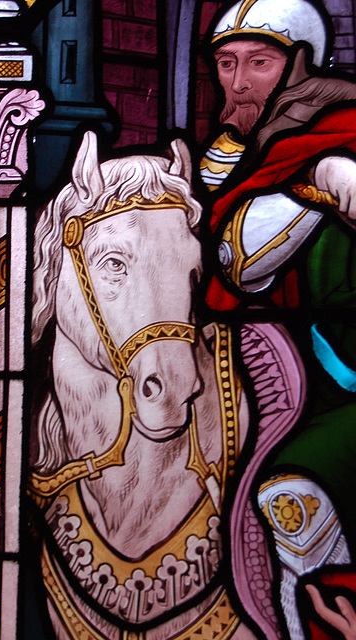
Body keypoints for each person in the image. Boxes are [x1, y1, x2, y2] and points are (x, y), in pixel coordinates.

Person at [200, 0, 356, 638]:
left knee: (294, 494)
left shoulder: (340, 128)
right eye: (226, 64)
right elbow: (238, 262)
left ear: (297, 65)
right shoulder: (265, 156)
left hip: (337, 387)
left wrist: (320, 170)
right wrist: (310, 178)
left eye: (258, 63)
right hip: (294, 385)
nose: (238, 82)